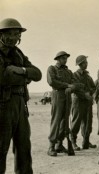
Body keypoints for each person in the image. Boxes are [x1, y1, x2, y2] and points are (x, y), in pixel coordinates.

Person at [0, 18, 42, 173]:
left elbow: (37, 74)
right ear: (1, 35)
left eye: (16, 34)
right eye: (9, 33)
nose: (13, 37)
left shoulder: (18, 53)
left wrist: (21, 71)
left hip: (20, 104)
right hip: (3, 104)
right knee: (1, 148)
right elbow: (3, 78)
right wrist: (25, 76)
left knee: (24, 147)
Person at [47, 51, 76, 156]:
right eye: (63, 58)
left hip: (67, 97)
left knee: (65, 121)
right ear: (58, 59)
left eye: (66, 58)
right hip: (57, 95)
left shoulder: (68, 71)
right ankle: (51, 146)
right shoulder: (52, 69)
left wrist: (71, 87)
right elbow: (52, 82)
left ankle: (59, 144)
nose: (65, 59)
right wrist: (67, 85)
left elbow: (73, 83)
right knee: (56, 120)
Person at [70, 55, 97, 150]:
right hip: (78, 101)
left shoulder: (88, 76)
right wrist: (84, 94)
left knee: (88, 122)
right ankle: (73, 142)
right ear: (80, 64)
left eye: (86, 62)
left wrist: (90, 93)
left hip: (88, 102)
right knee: (76, 122)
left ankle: (86, 141)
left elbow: (94, 87)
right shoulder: (74, 75)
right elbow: (74, 88)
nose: (86, 64)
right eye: (85, 62)